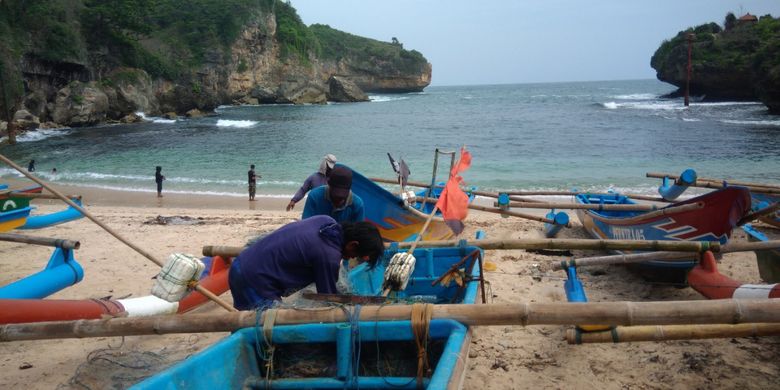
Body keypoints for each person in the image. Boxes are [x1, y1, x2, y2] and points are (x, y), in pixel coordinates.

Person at [228, 215, 384, 310]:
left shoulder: (326, 221)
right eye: (355, 255)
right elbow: (329, 299)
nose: (351, 259)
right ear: (352, 245)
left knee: (247, 321)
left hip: (242, 263)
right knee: (261, 331)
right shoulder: (329, 256)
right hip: (252, 280)